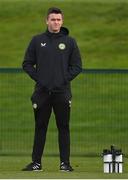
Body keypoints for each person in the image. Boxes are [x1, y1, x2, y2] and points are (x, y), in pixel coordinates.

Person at [22, 7, 82, 172]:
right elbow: (27, 63)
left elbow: (77, 67)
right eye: (53, 19)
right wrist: (39, 78)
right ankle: (36, 163)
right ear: (47, 21)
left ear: (62, 21)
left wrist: (63, 80)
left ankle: (65, 164)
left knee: (63, 127)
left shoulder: (70, 42)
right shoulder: (37, 40)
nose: (56, 22)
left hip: (62, 93)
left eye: (59, 19)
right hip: (41, 93)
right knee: (40, 127)